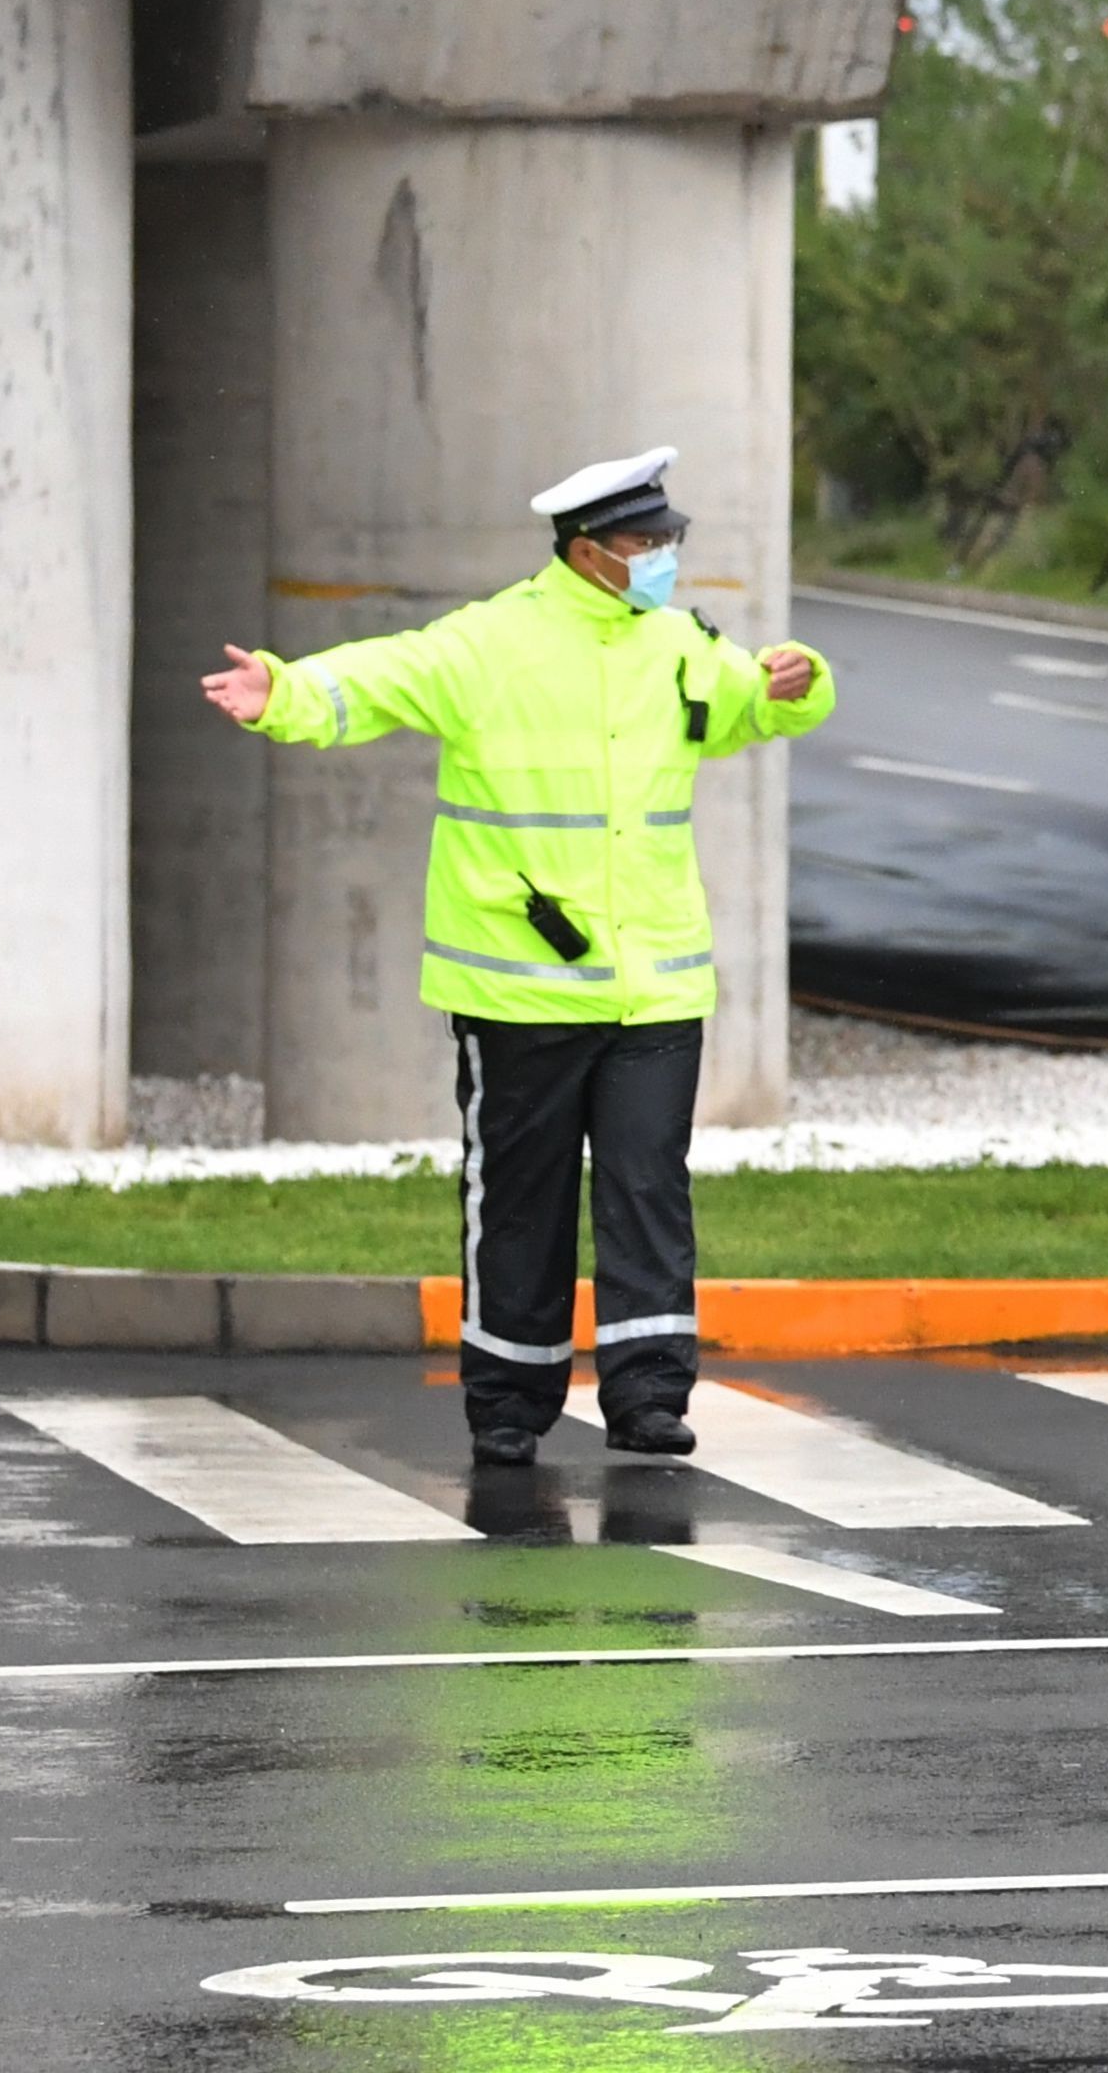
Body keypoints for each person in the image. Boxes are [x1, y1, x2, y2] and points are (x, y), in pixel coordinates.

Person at [198, 447, 834, 1466]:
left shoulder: (677, 642)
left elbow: (752, 703)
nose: (666, 556)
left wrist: (798, 682)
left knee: (646, 1190)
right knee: (520, 1200)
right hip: (521, 986)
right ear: (589, 553)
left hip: (657, 988)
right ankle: (507, 1401)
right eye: (646, 543)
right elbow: (377, 678)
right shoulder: (492, 642)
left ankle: (649, 1397)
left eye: (670, 539)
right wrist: (281, 691)